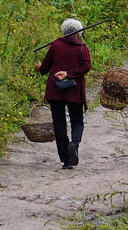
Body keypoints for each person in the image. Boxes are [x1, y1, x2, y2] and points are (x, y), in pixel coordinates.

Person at [35, 18, 91, 169]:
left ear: (64, 31)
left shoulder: (56, 45)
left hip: (56, 91)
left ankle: (66, 161)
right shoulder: (82, 48)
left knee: (59, 124)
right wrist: (70, 74)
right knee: (77, 120)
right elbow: (87, 66)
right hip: (74, 91)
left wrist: (39, 67)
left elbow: (45, 68)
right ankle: (74, 143)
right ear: (79, 33)